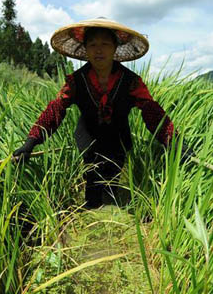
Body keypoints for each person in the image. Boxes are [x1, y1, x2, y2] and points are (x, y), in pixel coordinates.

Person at [13, 18, 191, 208]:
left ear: (115, 48)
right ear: (86, 49)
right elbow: (55, 109)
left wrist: (174, 142)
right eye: (93, 44)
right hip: (88, 142)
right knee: (92, 188)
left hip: (119, 142)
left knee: (112, 186)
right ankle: (91, 211)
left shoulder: (131, 81)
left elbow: (152, 111)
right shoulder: (76, 81)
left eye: (105, 44)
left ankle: (114, 214)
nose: (99, 50)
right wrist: (30, 142)